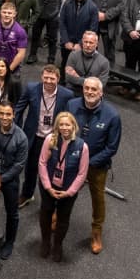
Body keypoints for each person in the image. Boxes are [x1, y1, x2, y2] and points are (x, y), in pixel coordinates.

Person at [14, 65, 74, 207]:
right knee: (30, 168)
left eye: (52, 78)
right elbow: (19, 109)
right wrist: (15, 130)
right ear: (41, 77)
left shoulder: (67, 95)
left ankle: (50, 201)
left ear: (58, 79)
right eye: (45, 77)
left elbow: (68, 117)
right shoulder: (31, 88)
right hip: (34, 136)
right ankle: (27, 194)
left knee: (52, 170)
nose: (48, 81)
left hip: (54, 139)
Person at [36, 112, 88, 262]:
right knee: (45, 213)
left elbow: (82, 173)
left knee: (63, 218)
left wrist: (70, 192)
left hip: (68, 190)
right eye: (61, 124)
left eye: (68, 124)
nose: (64, 127)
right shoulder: (50, 140)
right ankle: (46, 241)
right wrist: (47, 187)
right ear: (57, 126)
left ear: (74, 126)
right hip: (49, 186)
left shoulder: (82, 147)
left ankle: (58, 245)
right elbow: (42, 163)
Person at [0, 100, 28, 259]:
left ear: (13, 114)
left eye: (8, 114)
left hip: (9, 179)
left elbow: (19, 165)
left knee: (12, 213)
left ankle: (9, 242)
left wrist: (0, 179)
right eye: (1, 113)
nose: (4, 117)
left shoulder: (21, 137)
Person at [26, 0, 70, 65]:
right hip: (39, 13)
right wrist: (32, 10)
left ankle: (51, 58)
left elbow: (65, 1)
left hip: (53, 15)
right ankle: (32, 55)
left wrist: (60, 15)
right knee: (35, 35)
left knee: (53, 38)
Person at [90, 0, 129, 64]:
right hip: (94, 21)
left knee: (109, 53)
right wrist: (95, 13)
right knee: (91, 48)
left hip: (110, 23)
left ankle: (109, 74)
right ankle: (92, 70)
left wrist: (106, 16)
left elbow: (121, 6)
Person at [58, 0, 99, 68]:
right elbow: (62, 23)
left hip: (83, 45)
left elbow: (93, 29)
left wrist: (80, 44)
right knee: (65, 65)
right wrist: (66, 41)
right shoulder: (67, 4)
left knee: (80, 68)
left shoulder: (93, 7)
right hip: (67, 43)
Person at [0, 3, 28, 74]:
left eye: (9, 13)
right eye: (4, 12)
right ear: (0, 12)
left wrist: (9, 70)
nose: (6, 15)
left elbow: (21, 53)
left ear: (14, 14)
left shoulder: (20, 31)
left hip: (12, 67)